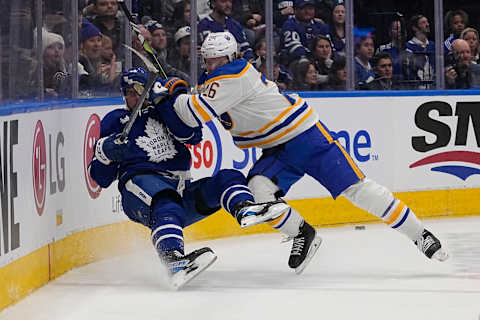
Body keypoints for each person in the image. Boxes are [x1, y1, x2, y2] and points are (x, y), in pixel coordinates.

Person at [160, 31, 450, 274]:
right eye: (208, 60)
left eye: (218, 59)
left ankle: (420, 235)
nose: (212, 64)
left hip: (305, 137)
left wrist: (173, 94)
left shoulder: (234, 73)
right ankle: (302, 233)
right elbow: (198, 101)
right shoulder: (219, 80)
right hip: (277, 148)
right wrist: (181, 92)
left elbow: (193, 112)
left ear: (231, 57)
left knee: (358, 190)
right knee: (258, 192)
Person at [88, 67, 288, 288]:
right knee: (166, 201)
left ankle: (244, 207)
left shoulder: (165, 112)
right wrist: (104, 152)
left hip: (180, 188)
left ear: (150, 90)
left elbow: (193, 136)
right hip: (139, 185)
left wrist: (168, 102)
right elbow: (100, 177)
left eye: (138, 90)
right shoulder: (115, 120)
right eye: (128, 92)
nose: (133, 97)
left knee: (228, 177)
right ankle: (173, 261)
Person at [279, 0, 329, 67]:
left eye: (310, 8)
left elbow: (331, 47)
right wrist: (314, 56)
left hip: (319, 61)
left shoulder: (320, 26)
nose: (307, 11)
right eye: (303, 8)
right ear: (295, 10)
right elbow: (295, 49)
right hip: (296, 63)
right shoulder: (289, 24)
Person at [405, 14, 435, 89]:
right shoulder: (408, 47)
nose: (427, 25)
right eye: (423, 23)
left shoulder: (433, 46)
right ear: (414, 28)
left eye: (427, 22)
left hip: (434, 88)